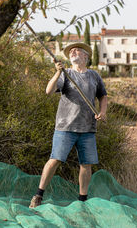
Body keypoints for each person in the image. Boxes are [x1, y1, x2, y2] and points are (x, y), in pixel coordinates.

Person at [29, 42, 108, 208]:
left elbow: (103, 96)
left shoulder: (94, 76)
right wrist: (58, 72)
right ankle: (38, 195)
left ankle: (82, 201)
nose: (73, 52)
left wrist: (103, 111)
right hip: (65, 127)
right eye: (71, 51)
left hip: (88, 128)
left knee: (86, 165)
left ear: (86, 56)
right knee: (55, 160)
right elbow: (48, 91)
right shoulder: (66, 73)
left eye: (77, 50)